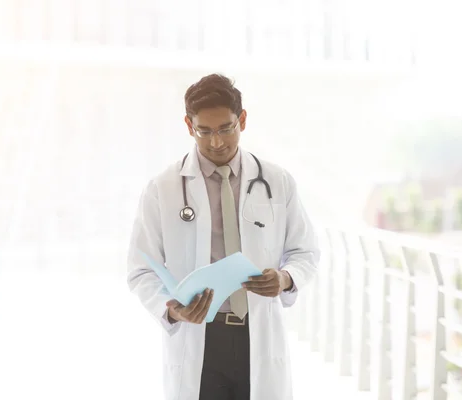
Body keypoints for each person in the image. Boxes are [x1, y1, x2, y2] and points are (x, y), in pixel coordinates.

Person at [127, 74, 320, 400]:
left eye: (226, 129)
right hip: (198, 336)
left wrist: (285, 279)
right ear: (189, 126)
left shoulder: (277, 181)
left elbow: (306, 252)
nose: (216, 142)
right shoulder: (163, 188)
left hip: (256, 333)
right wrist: (172, 309)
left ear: (242, 120)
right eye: (205, 131)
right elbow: (140, 269)